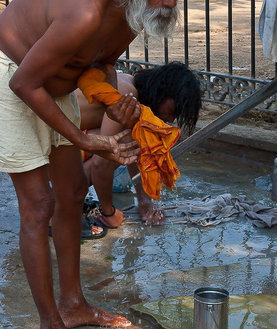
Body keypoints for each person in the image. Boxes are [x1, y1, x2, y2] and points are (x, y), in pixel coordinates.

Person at [0, 0, 196, 329]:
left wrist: (116, 104)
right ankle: (50, 320)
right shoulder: (86, 11)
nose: (169, 0)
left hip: (50, 86)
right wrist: (85, 138)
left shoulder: (130, 14)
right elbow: (24, 83)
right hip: (10, 74)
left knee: (72, 190)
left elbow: (100, 66)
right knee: (39, 205)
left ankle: (73, 305)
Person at [77, 62, 202, 228]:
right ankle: (62, 200)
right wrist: (109, 212)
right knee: (123, 144)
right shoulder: (127, 95)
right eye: (173, 111)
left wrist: (144, 202)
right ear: (163, 92)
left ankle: (65, 196)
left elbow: (135, 153)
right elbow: (102, 162)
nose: (171, 120)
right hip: (48, 150)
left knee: (129, 142)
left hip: (59, 145)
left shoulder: (132, 92)